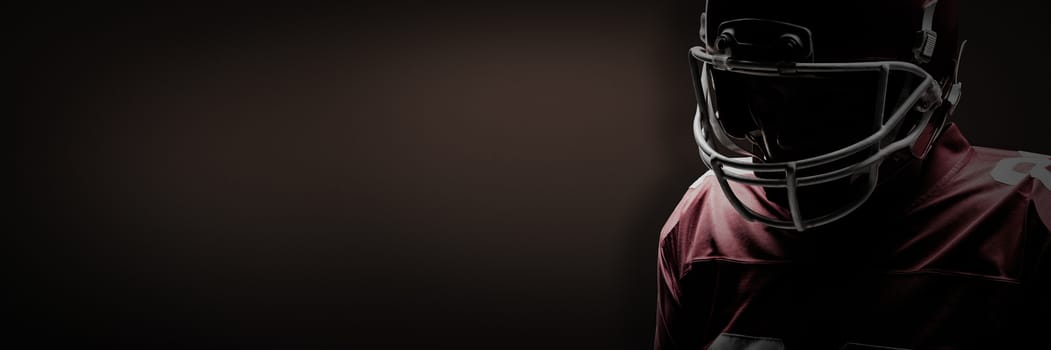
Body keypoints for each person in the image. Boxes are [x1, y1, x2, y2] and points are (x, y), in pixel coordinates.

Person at [653, 0, 1050, 349]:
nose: (781, 134)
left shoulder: (1026, 219)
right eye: (754, 88)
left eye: (823, 98)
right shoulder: (703, 221)